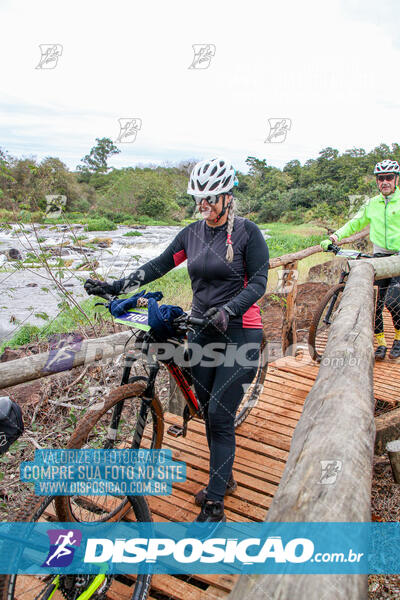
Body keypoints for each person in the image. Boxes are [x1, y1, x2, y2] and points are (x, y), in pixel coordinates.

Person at [84, 157, 269, 523]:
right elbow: (159, 264)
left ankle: (216, 500)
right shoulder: (192, 234)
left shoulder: (249, 234)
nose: (204, 206)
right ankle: (225, 476)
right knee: (204, 408)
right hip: (201, 327)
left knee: (218, 413)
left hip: (240, 330)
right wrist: (118, 285)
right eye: (199, 199)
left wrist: (229, 310)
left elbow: (260, 283)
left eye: (211, 199)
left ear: (228, 197)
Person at [320, 159, 400, 361]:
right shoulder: (372, 204)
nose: (385, 182)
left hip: (399, 257)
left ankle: (398, 338)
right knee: (375, 303)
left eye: (389, 177)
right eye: (381, 178)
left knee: (395, 302)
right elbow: (355, 223)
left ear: (396, 179)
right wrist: (334, 237)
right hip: (379, 256)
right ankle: (380, 342)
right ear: (377, 181)